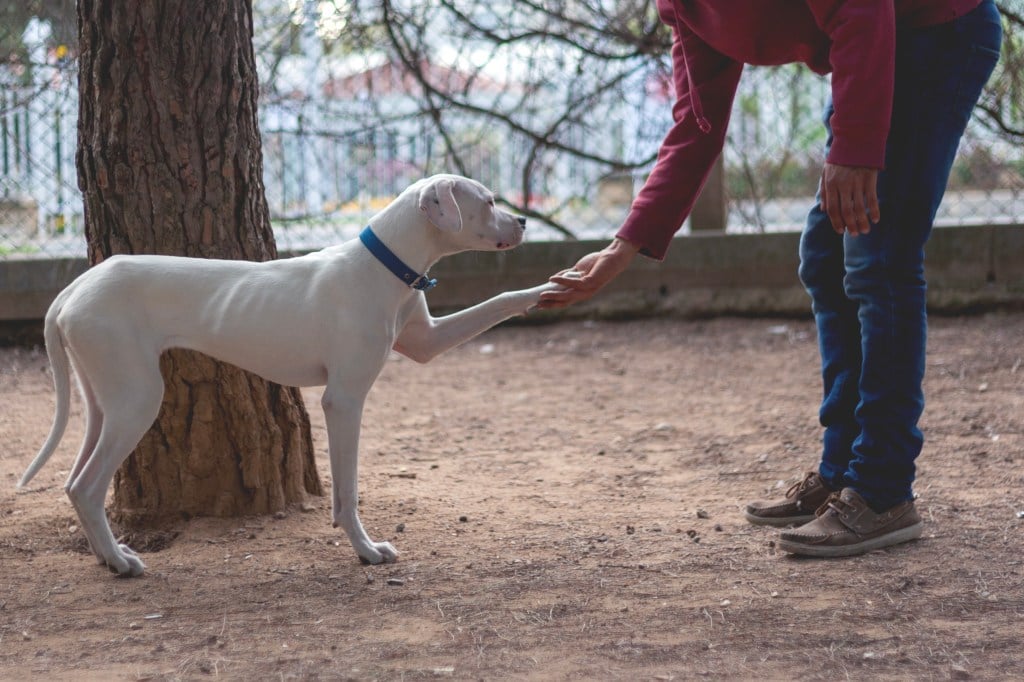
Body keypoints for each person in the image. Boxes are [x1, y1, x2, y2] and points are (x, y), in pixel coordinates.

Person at [539, 0, 1003, 557]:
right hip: (876, 52)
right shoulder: (683, 8)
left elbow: (862, 9)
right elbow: (696, 126)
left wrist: (856, 147)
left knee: (880, 258)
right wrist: (621, 248)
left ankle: (882, 491)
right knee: (827, 258)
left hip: (937, 34)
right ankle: (842, 474)